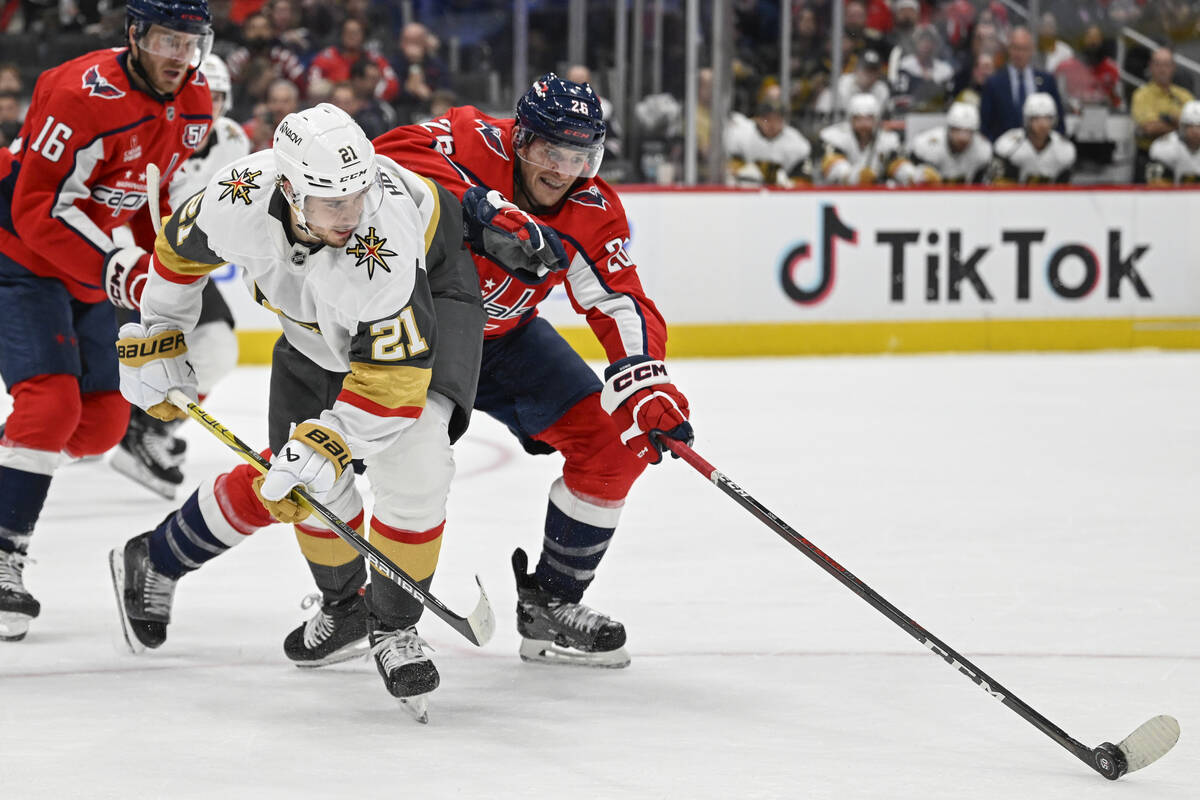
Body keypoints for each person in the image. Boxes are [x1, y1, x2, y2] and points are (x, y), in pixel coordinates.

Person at [108, 104, 484, 717]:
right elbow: (177, 257)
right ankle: (344, 611)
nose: (351, 216)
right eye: (332, 203)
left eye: (358, 195)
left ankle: (393, 626)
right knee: (301, 482)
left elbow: (390, 387)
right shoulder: (239, 196)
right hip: (310, 323)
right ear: (287, 188)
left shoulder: (381, 243)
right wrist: (161, 333)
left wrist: (331, 441)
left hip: (432, 292)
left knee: (414, 463)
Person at [372, 74, 695, 668]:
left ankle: (550, 601)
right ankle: (347, 599)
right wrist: (475, 204)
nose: (563, 169)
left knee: (614, 445)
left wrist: (645, 379)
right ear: (519, 139)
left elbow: (618, 300)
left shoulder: (593, 209)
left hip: (507, 343)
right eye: (550, 150)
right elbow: (381, 161)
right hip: (417, 335)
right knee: (361, 466)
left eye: (581, 154)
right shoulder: (469, 139)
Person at [0, 0, 215, 642]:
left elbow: (151, 200)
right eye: (166, 42)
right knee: (49, 407)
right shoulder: (77, 94)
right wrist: (119, 262)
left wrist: (163, 273)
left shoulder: (197, 103)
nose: (179, 57)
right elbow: (35, 206)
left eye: (191, 42)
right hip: (17, 253)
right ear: (135, 35)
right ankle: (4, 552)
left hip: (90, 268)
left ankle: (13, 470)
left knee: (100, 426)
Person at [109, 51, 247, 499]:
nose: (211, 106)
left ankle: (150, 430)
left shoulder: (231, 139)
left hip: (187, 259)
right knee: (101, 369)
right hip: (136, 258)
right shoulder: (152, 133)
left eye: (219, 97)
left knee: (217, 348)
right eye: (203, 95)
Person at [980, 26, 1064, 141]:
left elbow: (1059, 121)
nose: (1019, 53)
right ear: (1009, 49)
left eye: (1024, 48)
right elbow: (985, 125)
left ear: (1032, 50)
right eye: (1015, 48)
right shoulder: (994, 83)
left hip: (1041, 151)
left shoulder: (1047, 81)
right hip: (1003, 150)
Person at [818, 93, 915, 185]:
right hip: (839, 195)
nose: (864, 124)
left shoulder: (888, 139)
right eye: (858, 119)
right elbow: (832, 166)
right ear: (850, 119)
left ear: (876, 120)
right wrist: (854, 176)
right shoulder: (834, 135)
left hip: (876, 194)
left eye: (869, 119)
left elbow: (898, 163)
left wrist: (913, 175)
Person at [1130, 48, 1194, 183]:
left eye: (1166, 64)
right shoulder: (1141, 95)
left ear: (1173, 67)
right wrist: (1180, 125)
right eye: (1158, 64)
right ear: (1151, 67)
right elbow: (1149, 128)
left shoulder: (1185, 96)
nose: (1162, 69)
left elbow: (1196, 129)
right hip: (1149, 158)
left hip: (1184, 157)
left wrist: (1165, 122)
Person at [988, 92, 1076, 184]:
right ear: (1027, 120)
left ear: (1054, 120)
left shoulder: (1064, 148)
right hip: (1014, 195)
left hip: (1050, 197)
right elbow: (995, 184)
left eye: (1047, 118)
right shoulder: (1009, 145)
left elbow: (1064, 189)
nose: (1043, 124)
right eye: (1036, 118)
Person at [726, 93, 813, 187]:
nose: (773, 124)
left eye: (777, 119)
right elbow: (731, 168)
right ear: (758, 119)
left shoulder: (797, 142)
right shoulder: (741, 134)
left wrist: (788, 184)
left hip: (781, 195)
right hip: (747, 191)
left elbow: (805, 181)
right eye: (767, 119)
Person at [907, 101, 993, 184]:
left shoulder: (983, 150)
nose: (962, 137)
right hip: (930, 195)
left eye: (968, 131)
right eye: (957, 130)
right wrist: (918, 174)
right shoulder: (928, 143)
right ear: (949, 129)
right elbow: (908, 173)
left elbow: (982, 185)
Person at [1146, 100, 1200, 184]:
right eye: (1190, 126)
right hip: (1171, 196)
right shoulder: (1165, 146)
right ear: (1182, 127)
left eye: (1199, 126)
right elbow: (1156, 188)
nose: (1195, 131)